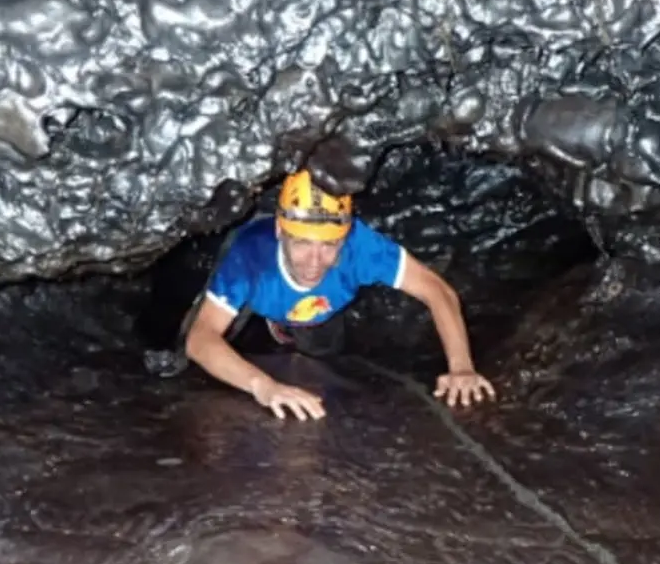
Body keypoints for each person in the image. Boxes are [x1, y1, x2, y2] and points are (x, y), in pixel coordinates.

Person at [180, 168, 497, 420]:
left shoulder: (361, 246)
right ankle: (268, 323)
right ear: (280, 231)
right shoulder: (251, 255)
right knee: (196, 347)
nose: (315, 261)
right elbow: (201, 338)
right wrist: (263, 386)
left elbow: (435, 289)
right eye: (302, 243)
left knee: (322, 350)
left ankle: (287, 329)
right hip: (259, 289)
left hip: (323, 307)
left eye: (329, 245)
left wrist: (461, 368)